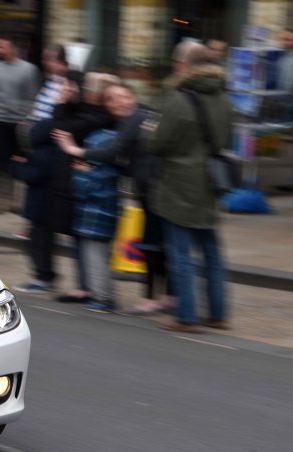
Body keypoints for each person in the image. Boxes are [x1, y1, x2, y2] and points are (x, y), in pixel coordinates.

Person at [54, 83, 173, 314]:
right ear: (106, 105)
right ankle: (166, 296)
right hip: (149, 190)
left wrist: (76, 151)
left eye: (126, 96)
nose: (121, 102)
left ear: (134, 98)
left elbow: (113, 153)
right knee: (157, 243)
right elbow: (125, 161)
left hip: (155, 190)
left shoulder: (137, 118)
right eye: (113, 99)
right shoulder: (132, 122)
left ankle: (153, 298)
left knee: (153, 244)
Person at [147, 40, 233, 332]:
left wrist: (149, 132)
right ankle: (218, 314)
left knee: (180, 252)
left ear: (184, 65)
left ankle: (187, 316)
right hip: (210, 183)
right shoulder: (224, 99)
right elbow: (226, 140)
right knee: (212, 251)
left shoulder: (178, 99)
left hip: (178, 184)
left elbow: (158, 143)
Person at [13, 71, 111, 294]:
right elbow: (41, 132)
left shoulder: (95, 116)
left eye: (72, 87)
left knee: (75, 234)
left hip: (72, 180)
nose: (67, 91)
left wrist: (60, 106)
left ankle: (86, 288)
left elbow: (57, 130)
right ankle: (62, 281)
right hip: (58, 177)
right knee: (43, 227)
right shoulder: (80, 111)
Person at [0, 35, 39, 213]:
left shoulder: (28, 70)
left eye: (2, 46)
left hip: (18, 121)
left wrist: (27, 118)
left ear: (13, 48)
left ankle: (12, 199)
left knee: (15, 161)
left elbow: (32, 96)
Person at [71, 125, 121, 312]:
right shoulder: (112, 171)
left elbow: (83, 190)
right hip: (104, 222)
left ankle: (103, 297)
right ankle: (102, 294)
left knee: (95, 260)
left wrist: (79, 173)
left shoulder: (97, 172)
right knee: (100, 259)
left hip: (93, 223)